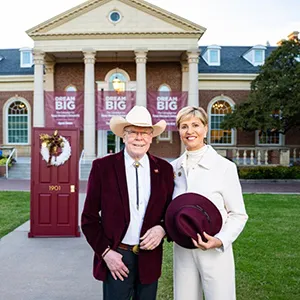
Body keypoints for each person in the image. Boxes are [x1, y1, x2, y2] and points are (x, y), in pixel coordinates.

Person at [81, 105, 174, 300]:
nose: (139, 138)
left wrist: (163, 229)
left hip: (150, 258)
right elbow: (89, 218)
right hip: (117, 257)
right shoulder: (103, 167)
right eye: (133, 132)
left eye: (145, 133)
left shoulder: (164, 170)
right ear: (124, 136)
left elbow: (170, 212)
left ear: (151, 137)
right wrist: (106, 253)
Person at [168, 106, 248, 300]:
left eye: (195, 125)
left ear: (205, 128)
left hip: (215, 251)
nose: (190, 131)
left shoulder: (224, 167)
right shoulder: (173, 168)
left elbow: (238, 214)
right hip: (183, 250)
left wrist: (219, 240)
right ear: (178, 131)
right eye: (184, 126)